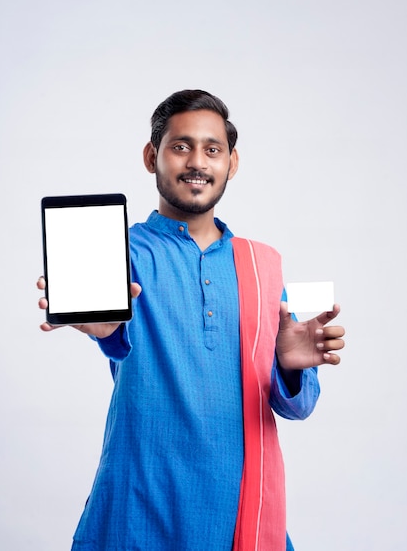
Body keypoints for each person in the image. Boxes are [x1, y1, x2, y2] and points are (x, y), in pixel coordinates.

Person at [37, 89, 345, 551]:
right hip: (138, 506)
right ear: (151, 156)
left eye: (212, 149)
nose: (197, 161)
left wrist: (290, 367)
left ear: (232, 163)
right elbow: (115, 335)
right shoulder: (122, 254)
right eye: (180, 146)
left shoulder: (262, 265)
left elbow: (296, 408)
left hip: (238, 510)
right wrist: (107, 330)